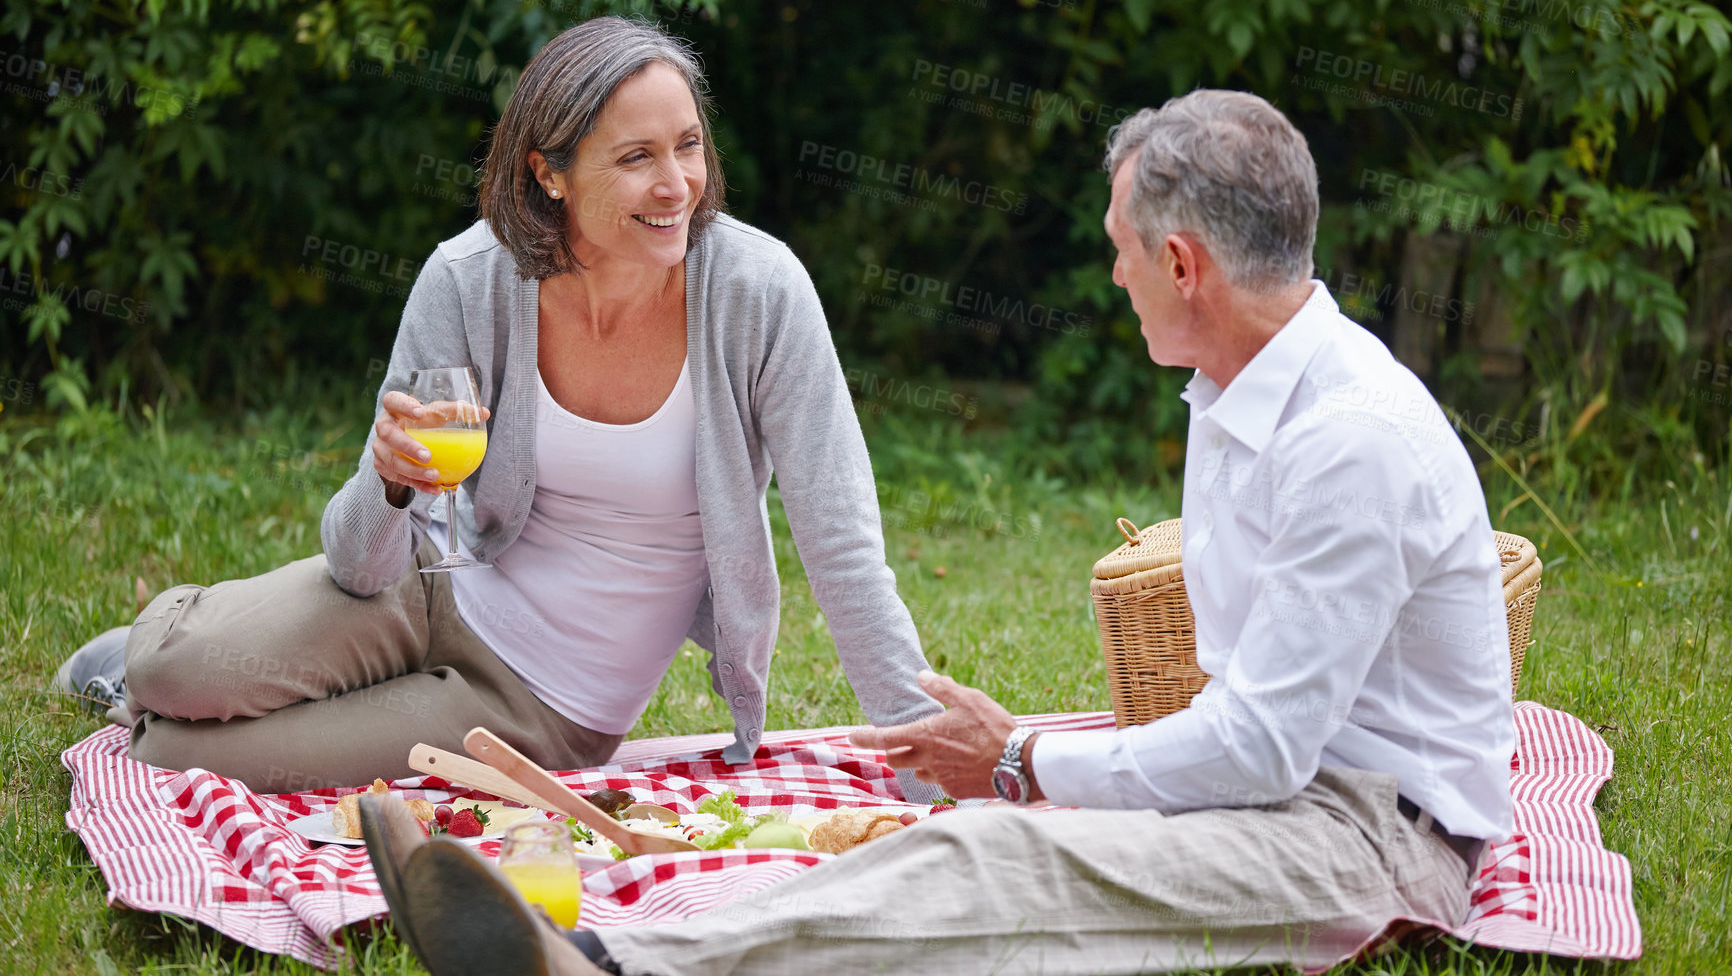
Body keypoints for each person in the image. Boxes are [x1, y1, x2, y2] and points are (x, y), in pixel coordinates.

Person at [359, 88, 1517, 976]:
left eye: (1120, 248)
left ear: (1182, 263)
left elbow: (1263, 748)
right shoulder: (1241, 386)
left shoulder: (1346, 438)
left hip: (1365, 837)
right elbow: (1249, 716)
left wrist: (1023, 760)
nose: (1112, 274)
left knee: (993, 850)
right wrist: (1029, 762)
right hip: (1285, 791)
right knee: (944, 845)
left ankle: (611, 964)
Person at [52, 16, 943, 802]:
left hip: (536, 703)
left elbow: (842, 546)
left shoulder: (758, 292)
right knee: (171, 666)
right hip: (426, 587)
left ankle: (164, 702)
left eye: (688, 147)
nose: (677, 185)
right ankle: (158, 651)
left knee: (170, 753)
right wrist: (391, 481)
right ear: (548, 174)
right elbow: (361, 566)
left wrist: (926, 757)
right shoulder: (470, 279)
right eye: (636, 158)